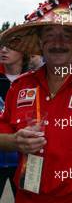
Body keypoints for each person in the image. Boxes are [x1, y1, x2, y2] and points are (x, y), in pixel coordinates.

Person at [0, 5, 72, 203]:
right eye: (50, 34)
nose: (57, 43)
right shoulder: (21, 85)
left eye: (66, 35)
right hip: (25, 197)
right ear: (40, 40)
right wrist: (14, 141)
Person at [0, 45, 29, 199]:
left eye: (10, 47)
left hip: (25, 163)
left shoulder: (34, 80)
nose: (3, 50)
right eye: (1, 47)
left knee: (26, 199)